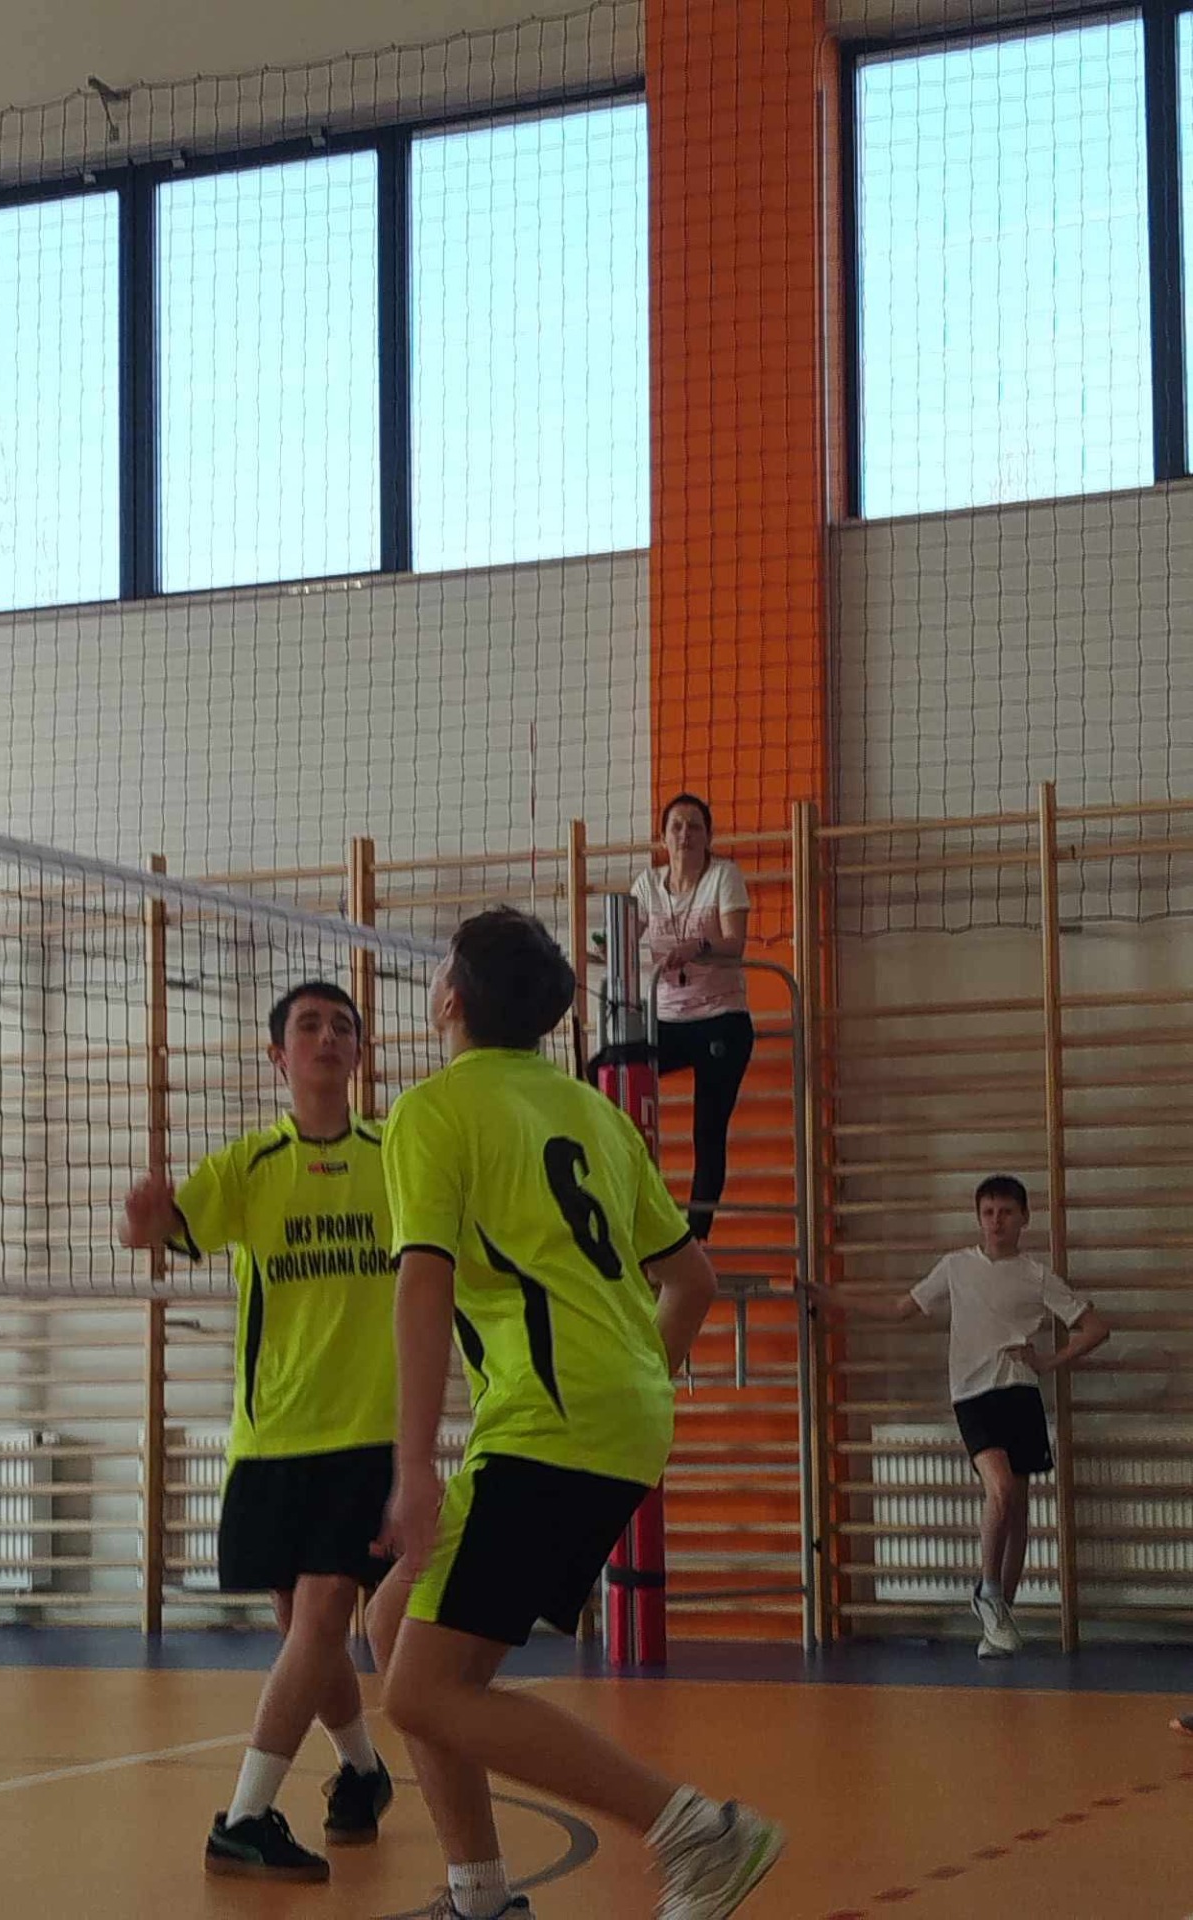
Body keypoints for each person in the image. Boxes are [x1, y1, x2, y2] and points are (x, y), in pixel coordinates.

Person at [369, 907, 783, 1920]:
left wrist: (412, 1464)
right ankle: (479, 1896)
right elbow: (692, 1282)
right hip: (621, 1407)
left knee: (422, 1691)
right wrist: (635, 1384)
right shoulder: (596, 1112)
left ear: (450, 998)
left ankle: (698, 1830)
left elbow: (423, 1284)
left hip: (547, 1421)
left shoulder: (432, 1111)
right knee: (395, 1625)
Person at [120, 980, 397, 1885]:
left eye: (342, 1026)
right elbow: (161, 1232)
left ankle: (243, 1818)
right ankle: (362, 1771)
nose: (328, 1036)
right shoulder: (249, 1163)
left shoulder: (395, 1159)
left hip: (362, 1433)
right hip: (270, 1436)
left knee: (320, 1615)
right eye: (309, 1025)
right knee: (301, 1628)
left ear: (358, 1054)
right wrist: (146, 1217)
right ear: (279, 1056)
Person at [812, 1175, 1109, 1658]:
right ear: (978, 1218)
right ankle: (987, 1591)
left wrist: (1048, 1361)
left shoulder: (1036, 1275)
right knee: (1001, 1489)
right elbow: (899, 1308)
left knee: (1018, 1510)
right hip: (974, 1396)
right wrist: (832, 1297)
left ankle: (1000, 1619)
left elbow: (1095, 1328)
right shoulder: (956, 1266)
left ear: (1024, 1218)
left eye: (1006, 1212)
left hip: (1020, 1392)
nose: (997, 1221)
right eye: (988, 1212)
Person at [631, 792, 753, 1240]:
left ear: (708, 836)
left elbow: (734, 943)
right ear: (663, 838)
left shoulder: (724, 875)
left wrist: (697, 946)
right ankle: (630, 1202)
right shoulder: (647, 884)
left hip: (721, 1018)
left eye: (695, 826)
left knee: (707, 1130)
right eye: (677, 826)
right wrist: (597, 948)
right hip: (667, 1021)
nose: (685, 834)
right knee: (607, 1068)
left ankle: (696, 1234)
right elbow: (622, 936)